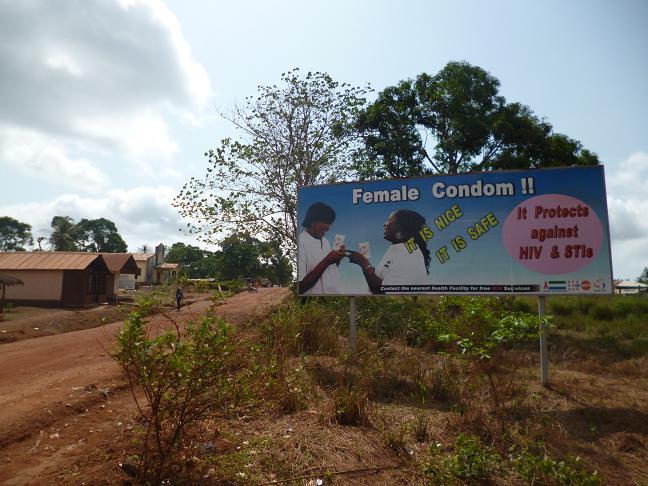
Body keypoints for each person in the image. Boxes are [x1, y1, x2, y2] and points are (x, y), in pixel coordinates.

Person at [348, 209, 431, 294]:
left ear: (403, 228)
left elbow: (384, 291)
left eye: (390, 220)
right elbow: (385, 276)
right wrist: (365, 263)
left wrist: (363, 263)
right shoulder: (399, 249)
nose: (384, 224)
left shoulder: (409, 256)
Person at [298, 202, 345, 295]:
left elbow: (328, 271)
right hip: (315, 302)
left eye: (330, 224)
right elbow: (301, 287)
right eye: (326, 222)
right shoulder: (301, 243)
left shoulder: (325, 241)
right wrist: (327, 260)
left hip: (334, 298)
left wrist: (337, 260)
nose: (328, 227)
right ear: (313, 221)